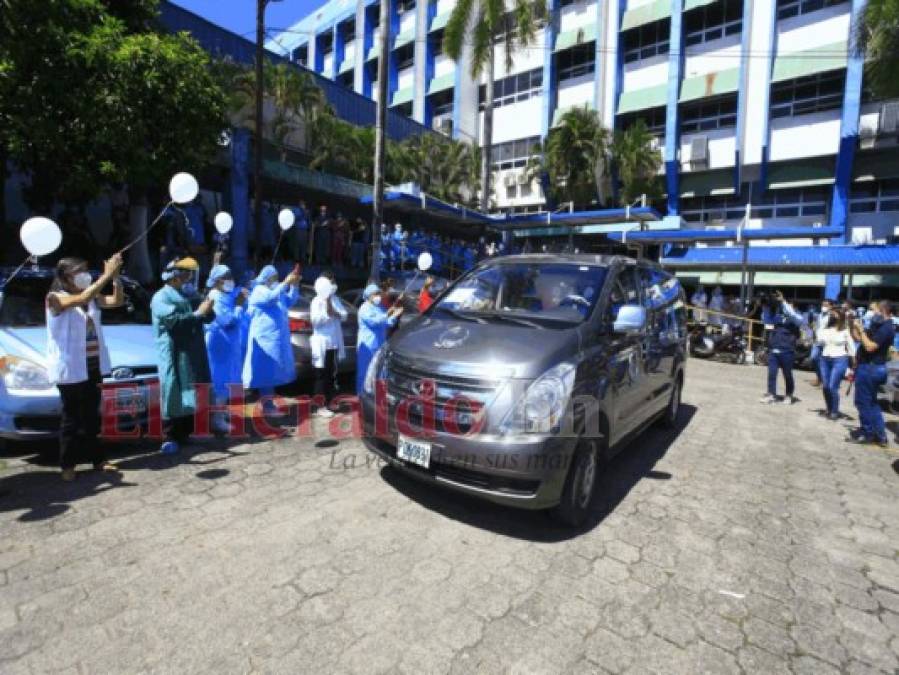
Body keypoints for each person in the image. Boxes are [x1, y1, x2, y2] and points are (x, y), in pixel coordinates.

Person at [46, 255, 124, 481]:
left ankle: (98, 460)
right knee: (71, 418)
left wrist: (115, 279)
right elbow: (82, 297)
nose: (85, 275)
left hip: (92, 365)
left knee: (92, 416)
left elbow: (115, 301)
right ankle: (67, 465)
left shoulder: (90, 296)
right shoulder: (55, 298)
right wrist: (106, 275)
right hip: (70, 368)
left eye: (86, 270)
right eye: (78, 271)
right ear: (65, 276)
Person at [151, 257, 214, 454]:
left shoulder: (187, 294)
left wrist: (203, 303)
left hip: (192, 350)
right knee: (173, 389)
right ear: (174, 277)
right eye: (185, 275)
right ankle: (168, 436)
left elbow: (209, 317)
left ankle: (186, 433)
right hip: (173, 350)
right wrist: (197, 314)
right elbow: (174, 322)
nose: (188, 278)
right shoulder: (161, 297)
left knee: (191, 388)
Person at [242, 265, 301, 410]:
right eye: (273, 278)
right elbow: (270, 298)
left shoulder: (276, 290)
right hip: (264, 340)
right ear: (266, 278)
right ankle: (267, 406)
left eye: (277, 278)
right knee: (265, 372)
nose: (276, 280)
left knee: (271, 372)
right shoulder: (259, 290)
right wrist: (286, 283)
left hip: (275, 339)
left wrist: (294, 285)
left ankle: (268, 404)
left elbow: (290, 300)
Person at [204, 264, 248, 433]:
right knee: (220, 381)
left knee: (228, 379)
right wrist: (238, 306)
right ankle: (216, 419)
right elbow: (227, 321)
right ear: (217, 281)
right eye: (227, 276)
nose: (230, 279)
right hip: (219, 343)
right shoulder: (215, 296)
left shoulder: (225, 294)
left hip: (229, 344)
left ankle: (221, 413)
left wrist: (241, 300)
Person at [848, 300, 895, 447]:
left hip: (871, 368)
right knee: (872, 403)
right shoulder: (877, 326)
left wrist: (861, 330)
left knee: (863, 402)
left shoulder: (886, 328)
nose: (872, 313)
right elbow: (858, 339)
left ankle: (867, 433)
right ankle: (880, 436)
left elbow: (869, 347)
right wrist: (852, 324)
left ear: (884, 311)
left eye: (874, 310)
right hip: (868, 367)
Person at [310, 272, 346, 417]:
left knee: (331, 374)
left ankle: (330, 401)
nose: (332, 285)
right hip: (322, 343)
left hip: (334, 342)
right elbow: (315, 321)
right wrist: (327, 313)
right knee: (321, 375)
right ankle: (319, 405)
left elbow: (344, 314)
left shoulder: (335, 298)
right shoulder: (316, 301)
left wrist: (336, 312)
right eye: (329, 282)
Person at [759, 291, 805, 405]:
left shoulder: (797, 317)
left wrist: (784, 302)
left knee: (787, 374)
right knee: (772, 373)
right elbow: (766, 321)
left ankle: (789, 395)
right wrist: (765, 306)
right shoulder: (777, 315)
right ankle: (771, 394)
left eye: (789, 305)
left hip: (787, 350)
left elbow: (794, 316)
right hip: (774, 348)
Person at [356, 284, 403, 394]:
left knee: (380, 372)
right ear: (369, 295)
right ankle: (361, 397)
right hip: (367, 346)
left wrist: (395, 317)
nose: (378, 296)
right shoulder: (364, 308)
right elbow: (375, 321)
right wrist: (389, 314)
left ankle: (378, 396)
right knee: (364, 372)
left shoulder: (380, 307)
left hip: (380, 344)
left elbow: (386, 323)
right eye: (375, 294)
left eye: (379, 293)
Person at [815, 305, 853, 420]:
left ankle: (835, 411)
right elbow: (819, 340)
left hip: (840, 359)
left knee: (832, 386)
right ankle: (829, 408)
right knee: (826, 386)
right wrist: (822, 324)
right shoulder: (826, 329)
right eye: (831, 315)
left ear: (841, 317)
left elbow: (851, 347)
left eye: (835, 314)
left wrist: (854, 362)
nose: (832, 316)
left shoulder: (845, 331)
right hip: (825, 359)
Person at [809, 299, 834, 387]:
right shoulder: (819, 315)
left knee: (826, 361)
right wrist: (812, 335)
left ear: (831, 306)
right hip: (818, 341)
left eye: (826, 305)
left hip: (828, 342)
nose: (824, 307)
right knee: (814, 358)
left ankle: (825, 380)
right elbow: (816, 327)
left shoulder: (833, 317)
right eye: (823, 305)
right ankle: (820, 377)